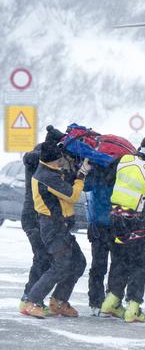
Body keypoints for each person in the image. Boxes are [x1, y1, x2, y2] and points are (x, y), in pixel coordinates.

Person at [100, 134, 145, 323]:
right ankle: (133, 308)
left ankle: (111, 302)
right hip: (134, 223)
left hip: (114, 220)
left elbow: (107, 179)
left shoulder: (124, 159)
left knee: (119, 260)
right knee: (139, 265)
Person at [21, 142, 89, 318]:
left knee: (78, 262)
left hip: (61, 227)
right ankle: (32, 301)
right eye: (59, 159)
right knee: (60, 265)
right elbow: (72, 195)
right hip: (52, 227)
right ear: (52, 160)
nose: (61, 162)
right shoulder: (46, 176)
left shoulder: (53, 172)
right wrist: (81, 175)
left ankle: (59, 300)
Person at [18, 126, 66, 315]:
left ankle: (29, 298)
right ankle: (28, 299)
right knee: (43, 258)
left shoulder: (42, 158)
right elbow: (28, 158)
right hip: (33, 217)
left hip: (36, 217)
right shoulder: (38, 158)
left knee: (43, 258)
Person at [84, 162, 117, 315]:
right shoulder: (118, 176)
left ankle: (96, 302)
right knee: (115, 266)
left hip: (98, 225)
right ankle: (110, 302)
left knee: (98, 266)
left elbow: (86, 187)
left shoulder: (96, 175)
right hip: (114, 226)